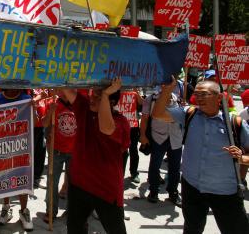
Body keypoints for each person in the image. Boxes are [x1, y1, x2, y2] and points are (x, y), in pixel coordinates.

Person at [152, 78, 249, 234]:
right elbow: (157, 114)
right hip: (192, 187)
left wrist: (241, 158)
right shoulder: (188, 114)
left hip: (225, 191)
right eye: (197, 94)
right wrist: (167, 90)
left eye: (204, 94)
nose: (199, 98)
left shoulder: (235, 123)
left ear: (219, 98)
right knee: (192, 229)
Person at [66, 79, 130, 234]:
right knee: (75, 228)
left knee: (116, 230)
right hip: (79, 184)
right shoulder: (84, 108)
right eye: (92, 94)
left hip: (106, 189)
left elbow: (106, 128)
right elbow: (65, 88)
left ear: (111, 101)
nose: (92, 98)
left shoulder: (121, 122)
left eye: (98, 97)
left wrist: (106, 94)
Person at [0, 89, 33, 231]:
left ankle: (24, 211)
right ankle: (6, 207)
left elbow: (34, 120)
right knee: (5, 177)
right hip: (2, 145)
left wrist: (32, 108)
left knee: (22, 178)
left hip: (21, 145)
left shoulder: (26, 98)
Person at [143, 84, 183, 206]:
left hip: (175, 138)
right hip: (158, 136)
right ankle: (153, 190)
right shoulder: (150, 99)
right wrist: (143, 136)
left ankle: (173, 192)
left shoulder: (178, 99)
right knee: (155, 165)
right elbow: (145, 118)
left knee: (175, 167)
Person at [41, 89, 77, 224]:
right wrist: (50, 111)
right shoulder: (53, 103)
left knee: (74, 183)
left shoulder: (77, 104)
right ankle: (51, 211)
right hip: (56, 150)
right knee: (52, 182)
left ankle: (72, 210)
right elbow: (44, 123)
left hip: (74, 151)